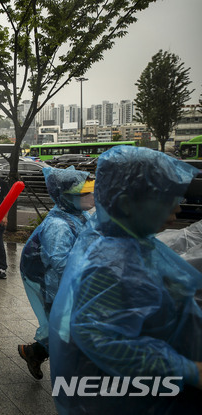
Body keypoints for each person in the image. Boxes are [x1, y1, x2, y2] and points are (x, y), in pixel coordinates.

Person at [48, 146, 202, 414]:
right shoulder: (111, 263)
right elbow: (98, 335)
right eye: (165, 198)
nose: (178, 207)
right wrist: (186, 369)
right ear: (125, 203)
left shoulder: (131, 241)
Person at [17, 166, 94, 380]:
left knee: (68, 325)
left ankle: (34, 352)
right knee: (67, 326)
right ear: (67, 197)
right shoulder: (58, 225)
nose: (91, 196)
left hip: (71, 280)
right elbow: (60, 262)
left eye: (90, 190)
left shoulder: (81, 215)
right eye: (84, 193)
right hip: (51, 282)